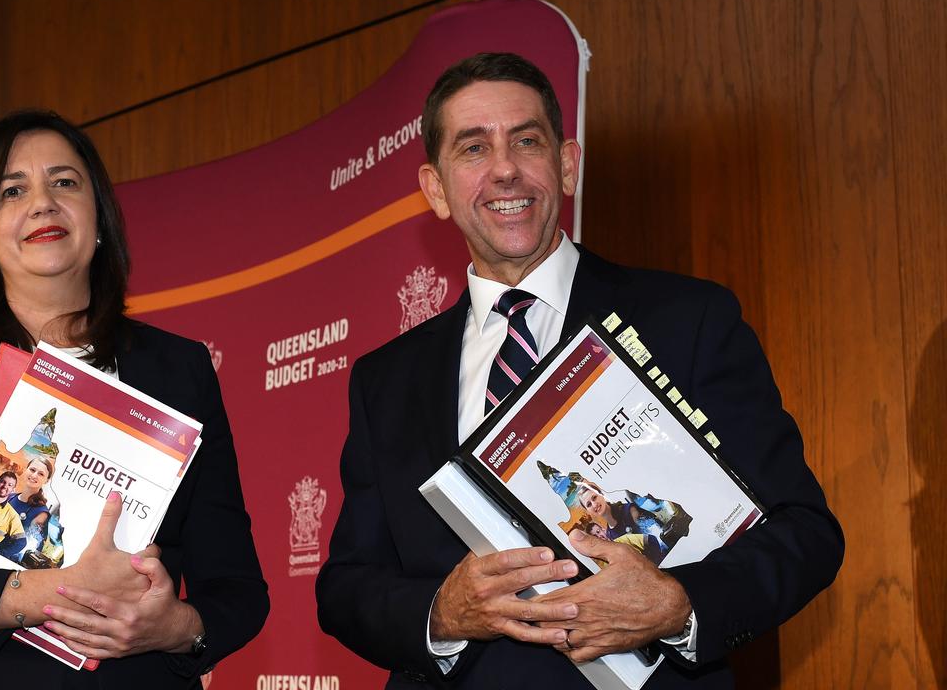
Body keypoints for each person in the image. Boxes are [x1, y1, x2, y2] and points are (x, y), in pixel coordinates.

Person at [315, 53, 843, 687]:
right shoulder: (386, 381)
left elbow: (806, 533)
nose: (505, 169)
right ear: (436, 189)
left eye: (527, 141)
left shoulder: (689, 320)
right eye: (474, 149)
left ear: (566, 165)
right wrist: (440, 614)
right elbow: (346, 587)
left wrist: (678, 605)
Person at [0, 109, 268, 688]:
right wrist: (49, 592)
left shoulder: (179, 370)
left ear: (100, 218)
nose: (42, 203)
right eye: (13, 191)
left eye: (65, 182)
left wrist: (177, 626)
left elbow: (237, 592)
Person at [0, 457, 60, 564]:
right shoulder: (10, 497)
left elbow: (29, 547)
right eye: (32, 470)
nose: (34, 475)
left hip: (4, 560)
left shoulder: (41, 513)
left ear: (47, 480)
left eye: (41, 474)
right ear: (26, 470)